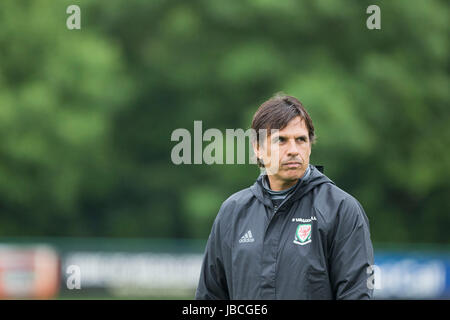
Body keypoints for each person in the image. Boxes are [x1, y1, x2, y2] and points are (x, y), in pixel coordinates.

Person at [195, 94, 374, 300]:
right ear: (258, 148)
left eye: (301, 140)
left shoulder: (342, 210)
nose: (293, 150)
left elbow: (356, 294)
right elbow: (209, 297)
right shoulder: (232, 212)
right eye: (281, 140)